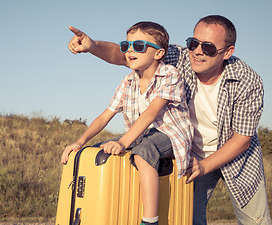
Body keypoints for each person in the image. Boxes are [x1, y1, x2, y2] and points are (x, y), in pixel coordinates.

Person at [66, 15, 272, 225]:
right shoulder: (180, 57)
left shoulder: (248, 80)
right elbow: (126, 55)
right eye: (193, 43)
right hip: (190, 154)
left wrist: (205, 166)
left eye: (208, 47)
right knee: (188, 218)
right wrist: (92, 46)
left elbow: (242, 139)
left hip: (237, 159)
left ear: (227, 52)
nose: (198, 51)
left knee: (256, 221)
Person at [61, 21, 194, 225]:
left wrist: (123, 143)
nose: (130, 50)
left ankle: (150, 220)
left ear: (158, 54)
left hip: (171, 134)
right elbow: (106, 115)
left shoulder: (170, 75)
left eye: (139, 46)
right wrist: (80, 142)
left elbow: (150, 114)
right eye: (127, 46)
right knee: (97, 151)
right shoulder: (128, 81)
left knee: (143, 152)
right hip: (139, 133)